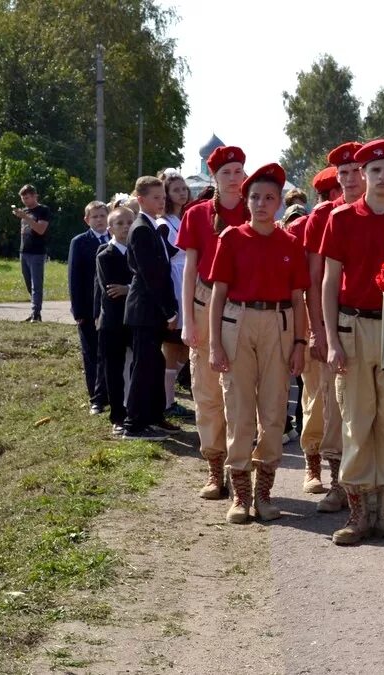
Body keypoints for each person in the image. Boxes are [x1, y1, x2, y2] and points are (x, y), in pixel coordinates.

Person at [321, 139, 384, 545]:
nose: (380, 177)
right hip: (352, 326)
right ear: (362, 175)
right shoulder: (341, 218)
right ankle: (359, 514)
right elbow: (327, 282)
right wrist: (330, 339)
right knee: (357, 422)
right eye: (373, 171)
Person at [208, 163, 310, 523]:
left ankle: (264, 492)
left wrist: (300, 342)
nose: (262, 204)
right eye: (255, 197)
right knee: (237, 408)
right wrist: (214, 344)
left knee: (273, 410)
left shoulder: (291, 243)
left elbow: (299, 299)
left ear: (280, 202)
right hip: (238, 322)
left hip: (279, 325)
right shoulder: (231, 239)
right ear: (245, 201)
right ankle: (240, 495)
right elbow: (217, 295)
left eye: (269, 198)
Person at [177, 146, 248, 498]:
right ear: (215, 179)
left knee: (240, 390)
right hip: (204, 305)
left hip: (245, 309)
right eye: (227, 173)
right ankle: (214, 466)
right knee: (206, 391)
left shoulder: (256, 211)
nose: (234, 178)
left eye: (238, 171)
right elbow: (190, 270)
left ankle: (240, 469)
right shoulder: (197, 214)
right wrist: (188, 320)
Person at [296, 142, 363, 505]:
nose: (350, 179)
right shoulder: (323, 216)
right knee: (327, 404)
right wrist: (317, 330)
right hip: (332, 324)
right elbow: (313, 278)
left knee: (368, 408)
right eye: (344, 174)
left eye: (356, 172)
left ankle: (365, 484)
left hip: (371, 322)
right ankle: (329, 476)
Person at [122, 176, 181, 442]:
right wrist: (169, 310)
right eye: (156, 198)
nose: (161, 201)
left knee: (155, 363)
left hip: (150, 309)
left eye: (162, 197)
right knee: (144, 365)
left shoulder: (152, 225)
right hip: (145, 309)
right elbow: (151, 275)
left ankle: (153, 416)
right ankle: (133, 424)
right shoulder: (141, 228)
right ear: (141, 199)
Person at [68, 201, 110, 415]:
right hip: (87, 309)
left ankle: (111, 393)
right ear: (87, 220)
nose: (99, 220)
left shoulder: (115, 239)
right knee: (92, 353)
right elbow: (74, 278)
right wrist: (78, 311)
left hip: (111, 308)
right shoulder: (80, 242)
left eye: (102, 215)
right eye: (94, 217)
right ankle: (96, 397)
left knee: (109, 352)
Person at [96, 206, 134, 436]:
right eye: (119, 223)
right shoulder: (105, 255)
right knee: (114, 370)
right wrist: (134, 287)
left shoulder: (137, 251)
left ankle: (138, 412)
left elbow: (144, 281)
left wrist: (129, 288)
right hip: (112, 322)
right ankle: (117, 416)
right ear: (110, 228)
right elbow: (111, 289)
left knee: (138, 366)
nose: (125, 227)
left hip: (136, 319)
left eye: (129, 222)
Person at [157, 169, 192, 419]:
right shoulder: (164, 223)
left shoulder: (183, 218)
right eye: (176, 190)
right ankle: (167, 402)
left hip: (186, 280)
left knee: (184, 347)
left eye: (183, 188)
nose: (182, 193)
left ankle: (168, 396)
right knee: (172, 347)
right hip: (175, 281)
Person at [13, 184, 51, 322]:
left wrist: (26, 217)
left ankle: (36, 313)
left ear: (35, 196)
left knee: (36, 284)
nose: (25, 201)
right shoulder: (24, 211)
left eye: (27, 197)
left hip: (37, 251)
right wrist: (22, 215)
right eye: (23, 198)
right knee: (29, 283)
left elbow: (40, 229)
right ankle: (34, 309)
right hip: (24, 251)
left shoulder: (43, 210)